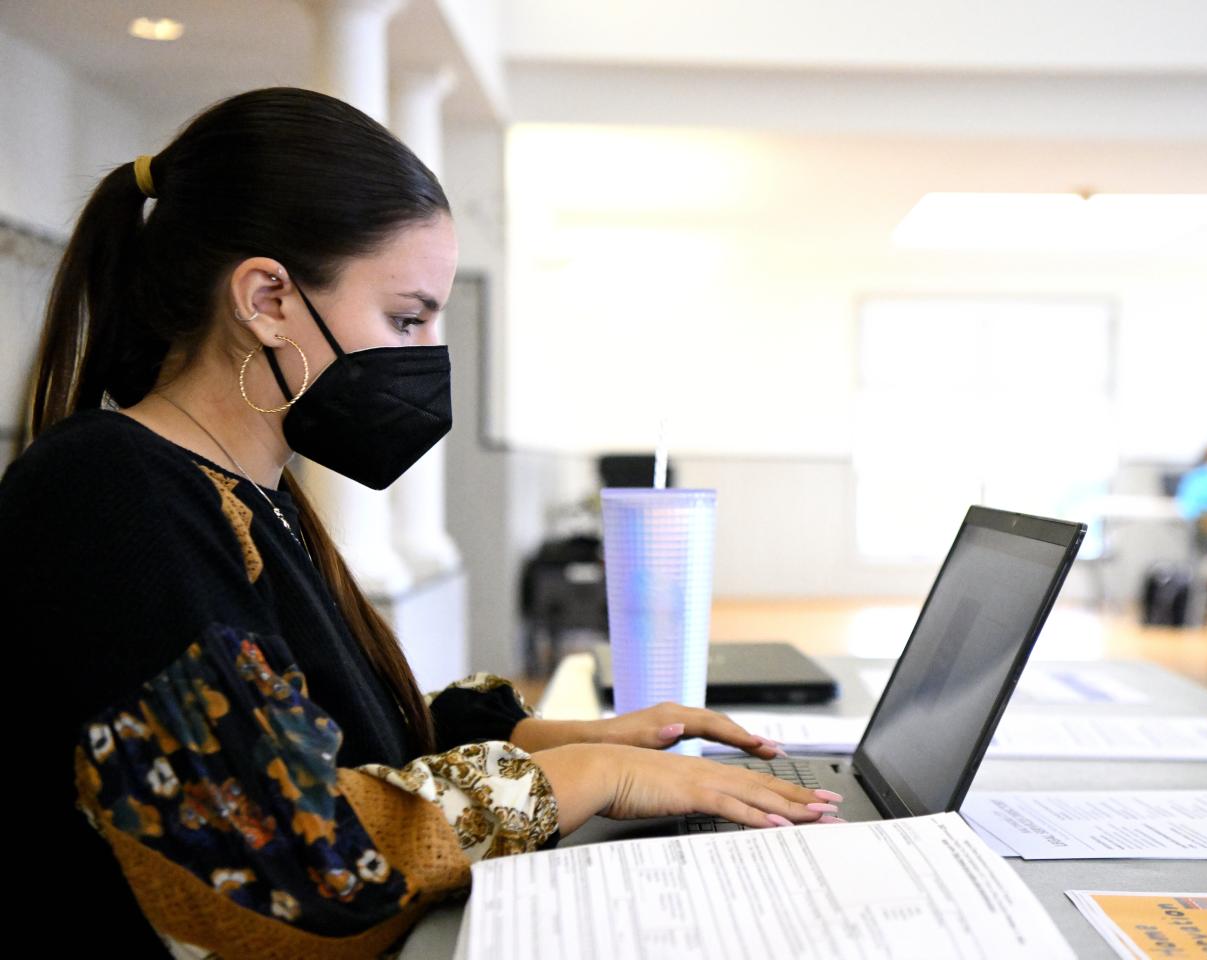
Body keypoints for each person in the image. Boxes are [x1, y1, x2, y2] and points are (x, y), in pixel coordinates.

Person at [0, 88, 841, 958]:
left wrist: (549, 739)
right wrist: (596, 773)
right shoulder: (109, 497)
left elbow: (325, 730)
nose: (428, 355)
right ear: (266, 299)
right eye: (406, 318)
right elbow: (288, 860)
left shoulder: (249, 489)